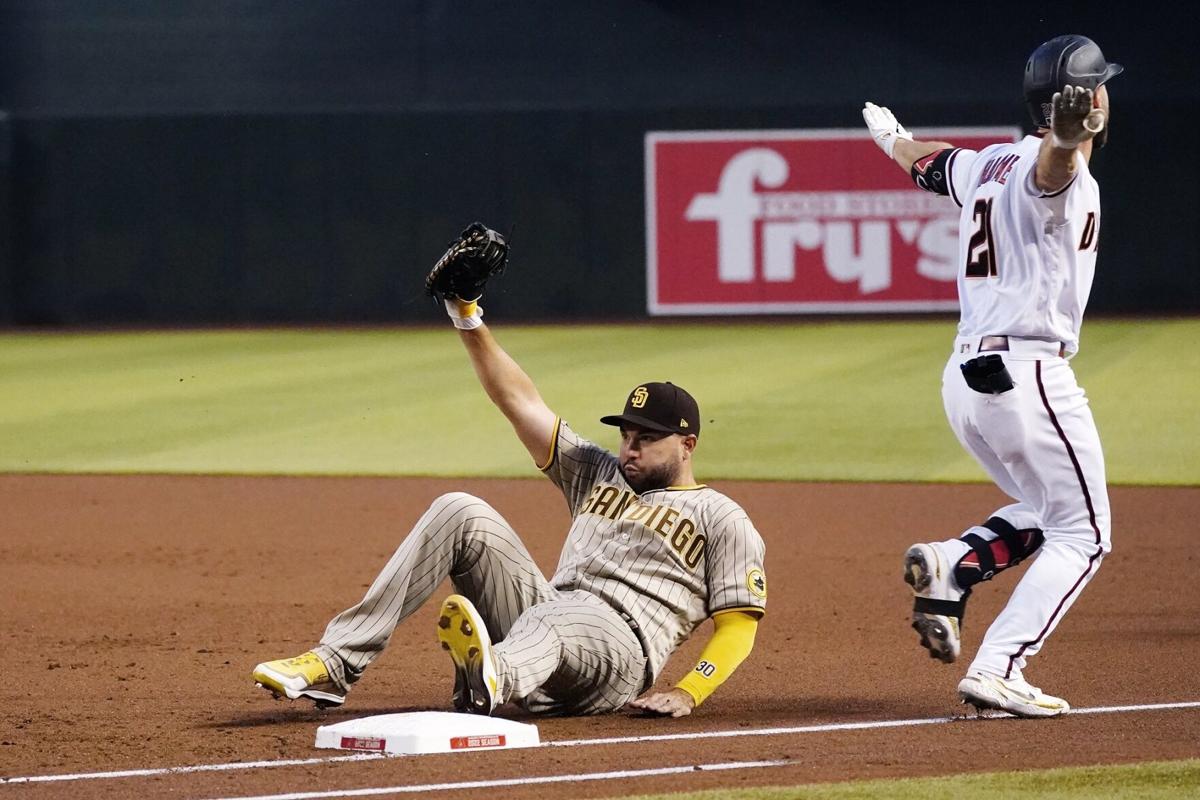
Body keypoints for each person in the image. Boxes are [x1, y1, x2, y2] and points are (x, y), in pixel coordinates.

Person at [252, 224, 767, 717]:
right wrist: (465, 314)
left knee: (558, 615)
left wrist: (689, 690)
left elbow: (738, 626)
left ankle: (492, 675)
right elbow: (521, 402)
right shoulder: (599, 472)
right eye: (626, 435)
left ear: (687, 445)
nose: (629, 449)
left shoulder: (720, 517)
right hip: (547, 621)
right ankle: (337, 663)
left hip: (620, 654)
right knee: (459, 511)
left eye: (647, 439)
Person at [860, 34, 1121, 717]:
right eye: (1103, 84)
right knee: (1085, 535)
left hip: (966, 378)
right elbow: (1051, 175)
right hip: (1026, 371)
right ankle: (1000, 666)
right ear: (1087, 101)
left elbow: (929, 163)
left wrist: (893, 140)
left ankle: (956, 562)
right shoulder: (1059, 169)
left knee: (1045, 507)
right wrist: (1066, 142)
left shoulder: (987, 162)